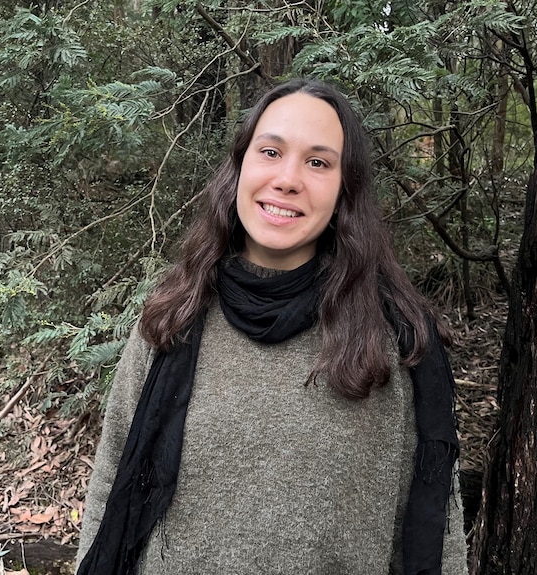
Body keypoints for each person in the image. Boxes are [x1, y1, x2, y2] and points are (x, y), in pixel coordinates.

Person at [74, 78, 468, 575]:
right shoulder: (174, 315)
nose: (288, 179)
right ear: (240, 168)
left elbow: (435, 527)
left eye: (318, 162)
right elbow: (113, 478)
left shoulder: (398, 339)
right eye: (270, 151)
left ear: (346, 188)